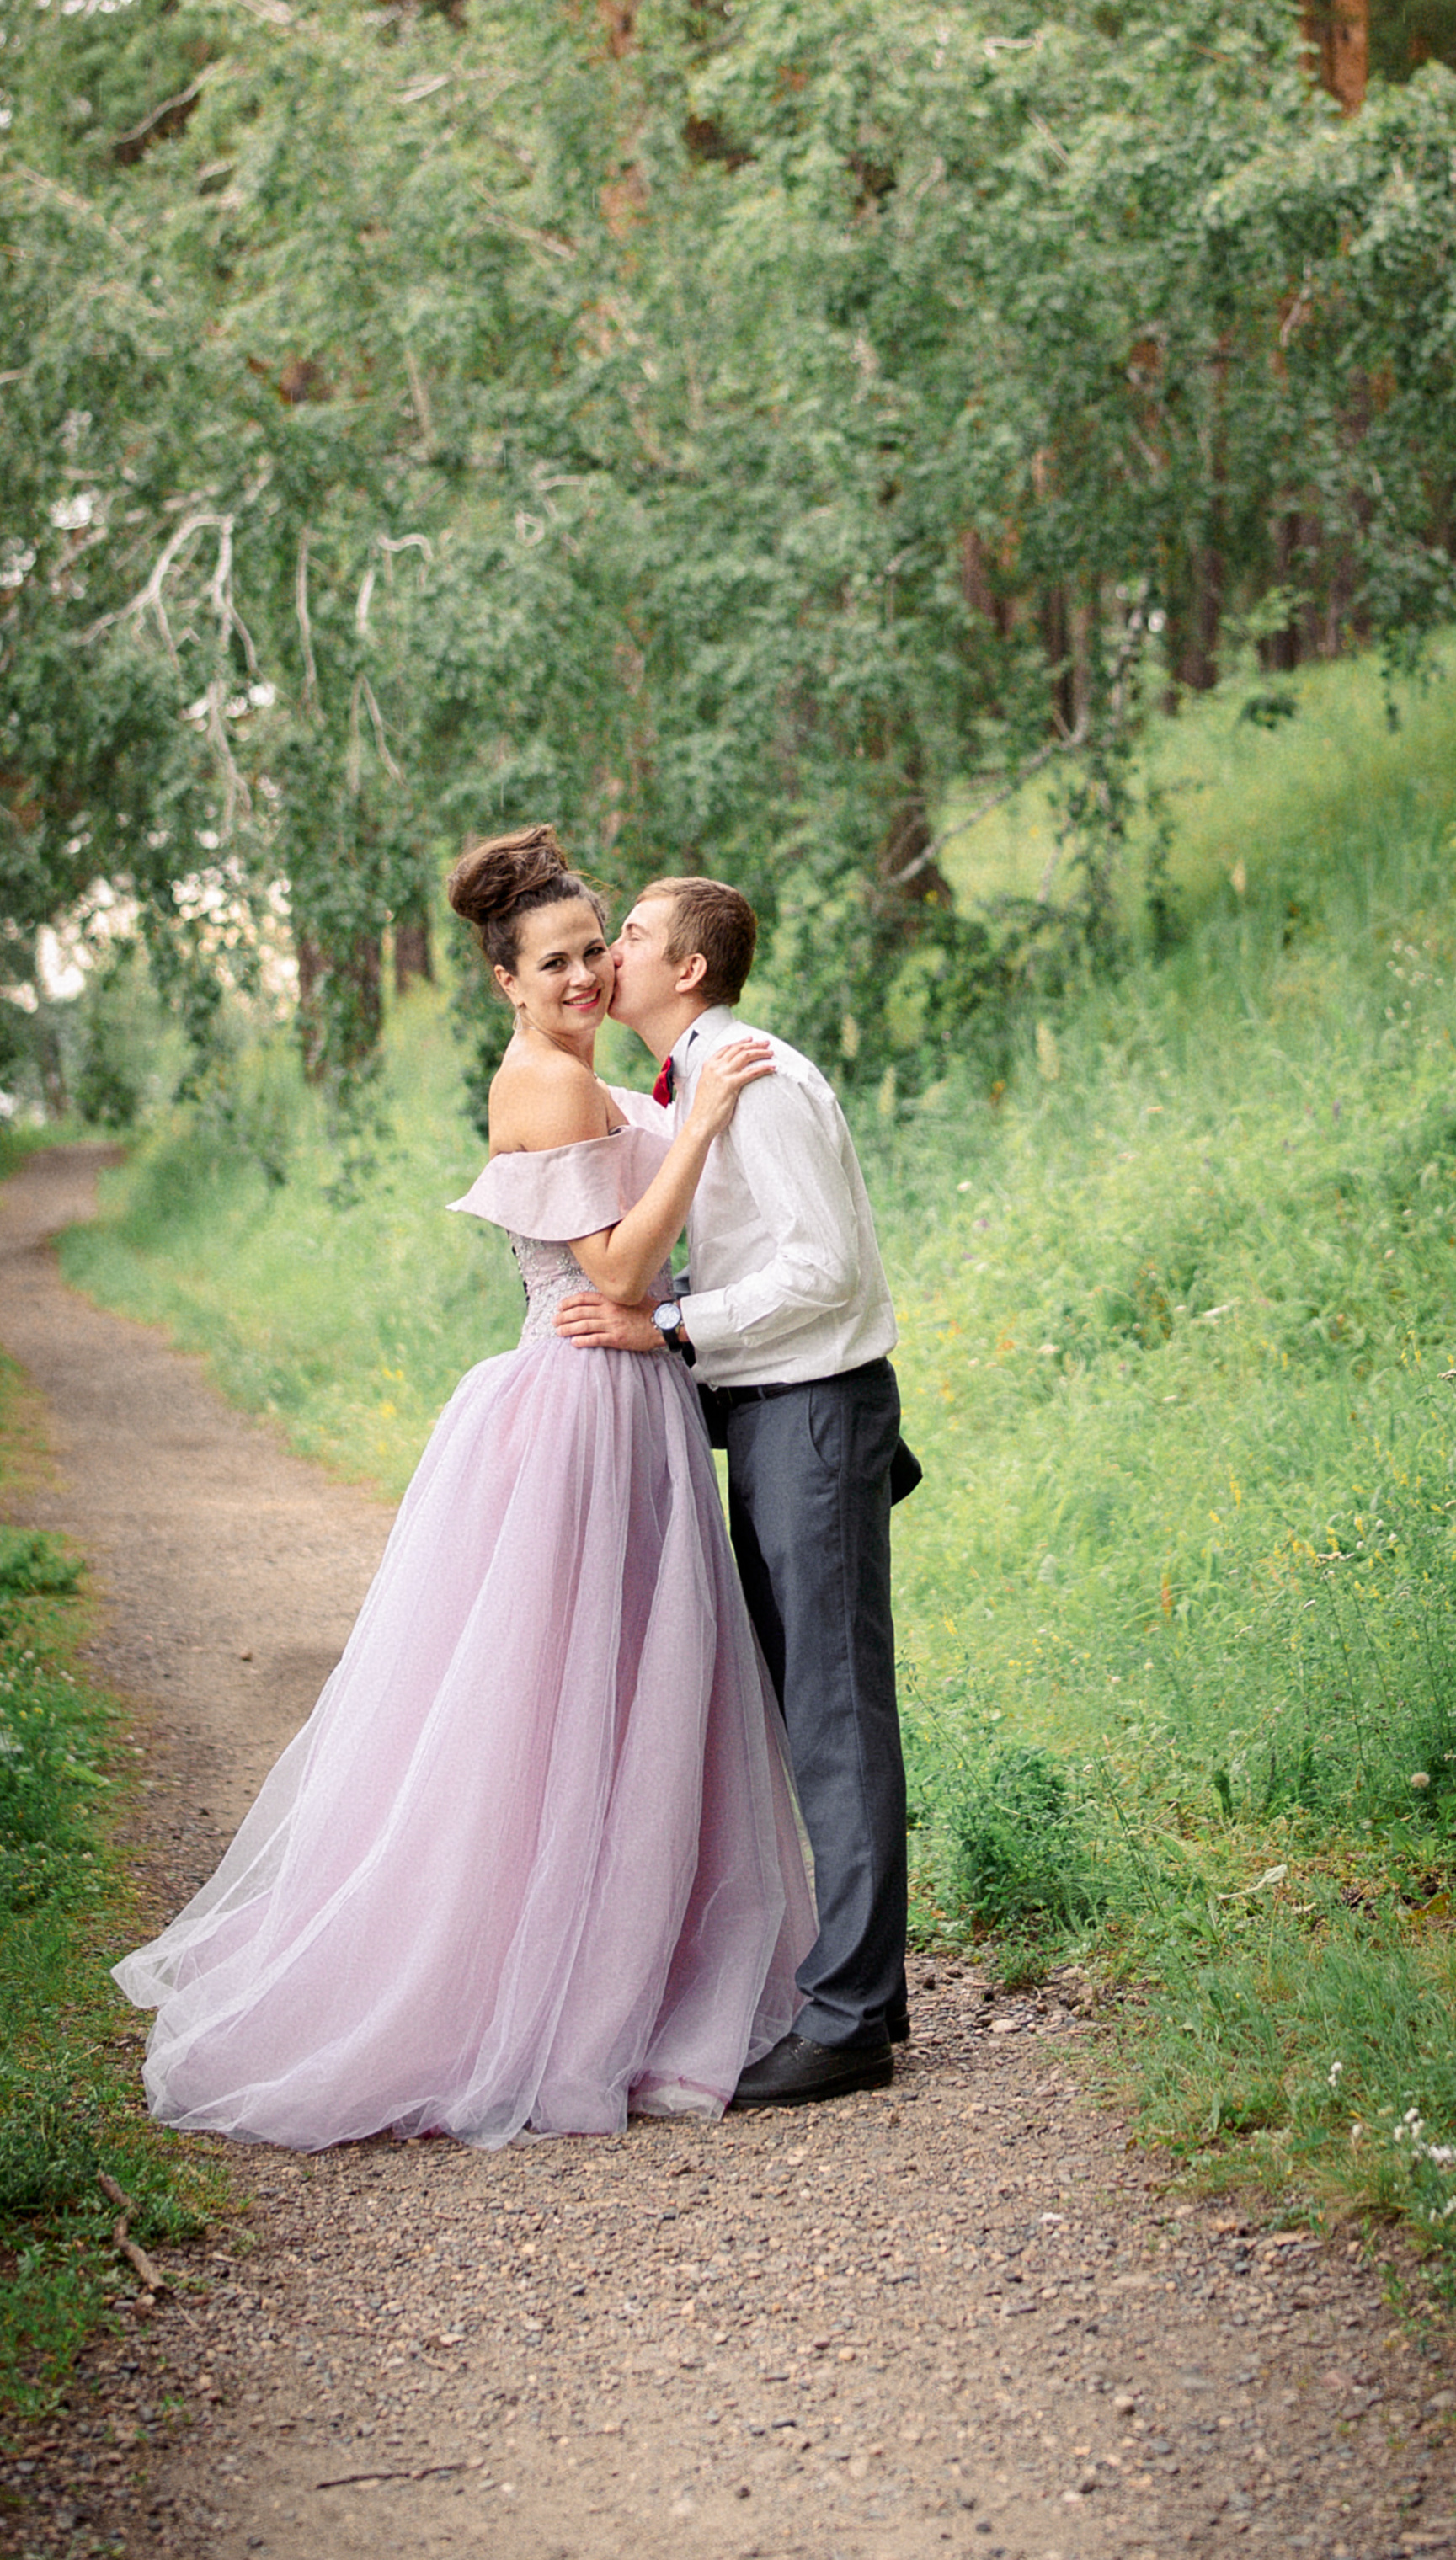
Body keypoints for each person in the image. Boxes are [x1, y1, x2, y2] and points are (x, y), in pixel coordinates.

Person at [114, 827, 814, 2150]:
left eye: (595, 949)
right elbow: (609, 1275)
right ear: (505, 978)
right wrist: (703, 1122)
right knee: (560, 1703)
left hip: (636, 1402)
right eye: (552, 961)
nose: (583, 976)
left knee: (633, 1694)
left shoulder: (590, 1068)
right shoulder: (541, 1089)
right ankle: (532, 1993)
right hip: (582, 1408)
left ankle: (644, 1966)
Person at [552, 875, 910, 2106]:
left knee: (835, 1708)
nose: (612, 957)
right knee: (804, 1703)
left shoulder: (751, 1075)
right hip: (766, 1417)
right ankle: (832, 1990)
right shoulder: (694, 1083)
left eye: (633, 938)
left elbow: (829, 1268)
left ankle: (853, 2019)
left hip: (813, 1416)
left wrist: (673, 1324)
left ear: (688, 971)